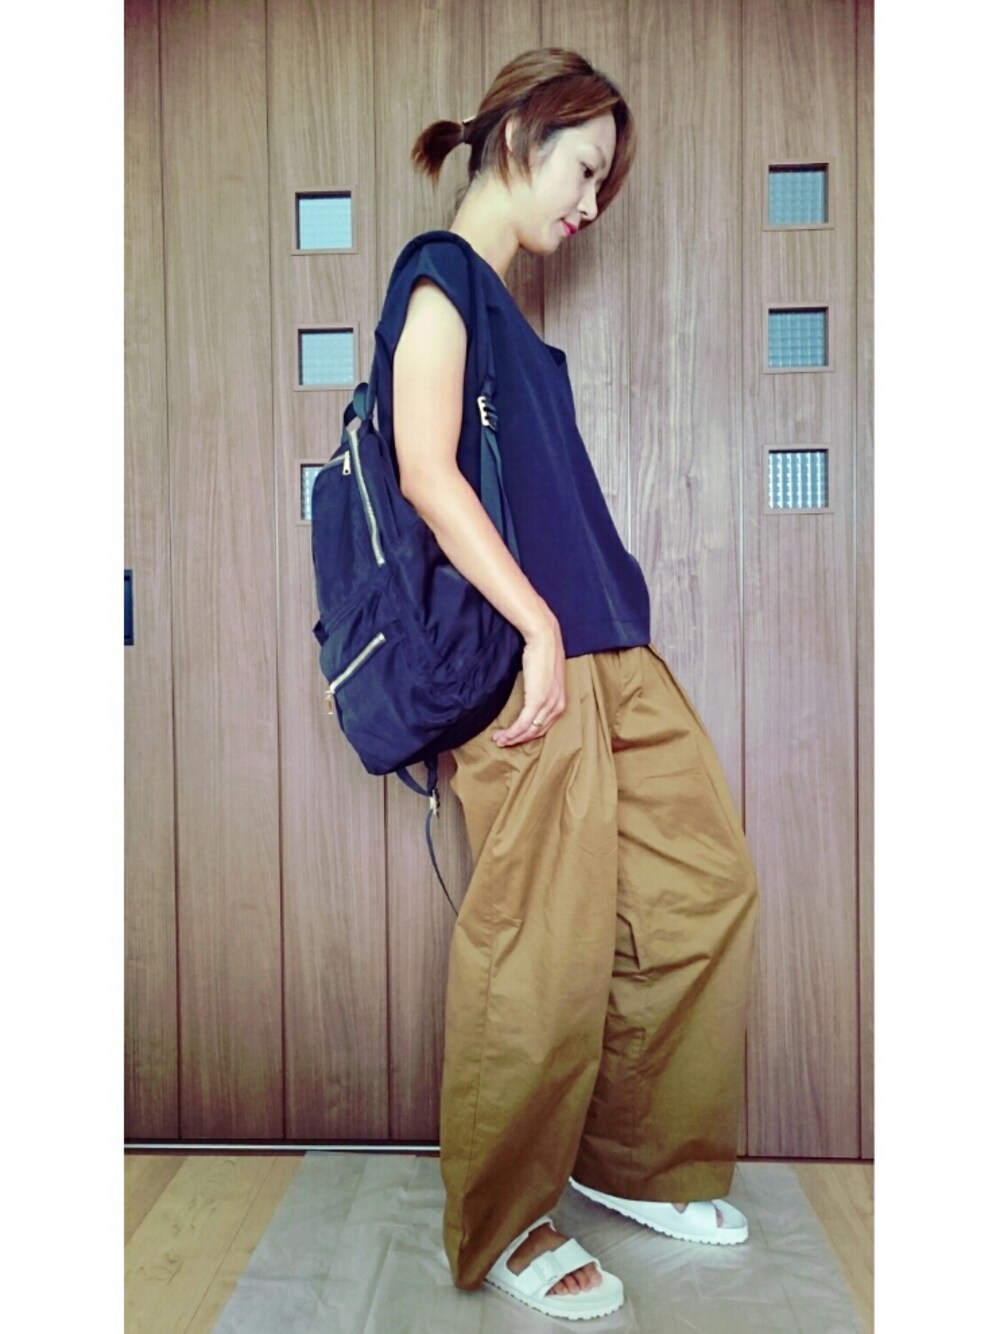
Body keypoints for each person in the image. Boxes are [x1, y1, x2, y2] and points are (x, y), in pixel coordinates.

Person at [388, 48, 759, 1323]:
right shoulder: (439, 275)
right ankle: (503, 1216)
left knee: (697, 887)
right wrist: (538, 624)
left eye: (605, 183)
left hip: (614, 645)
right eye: (585, 169)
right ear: (517, 140)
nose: (593, 203)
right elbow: (424, 467)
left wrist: (586, 625)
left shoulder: (512, 321)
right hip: (531, 653)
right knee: (540, 941)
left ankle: (636, 1163)